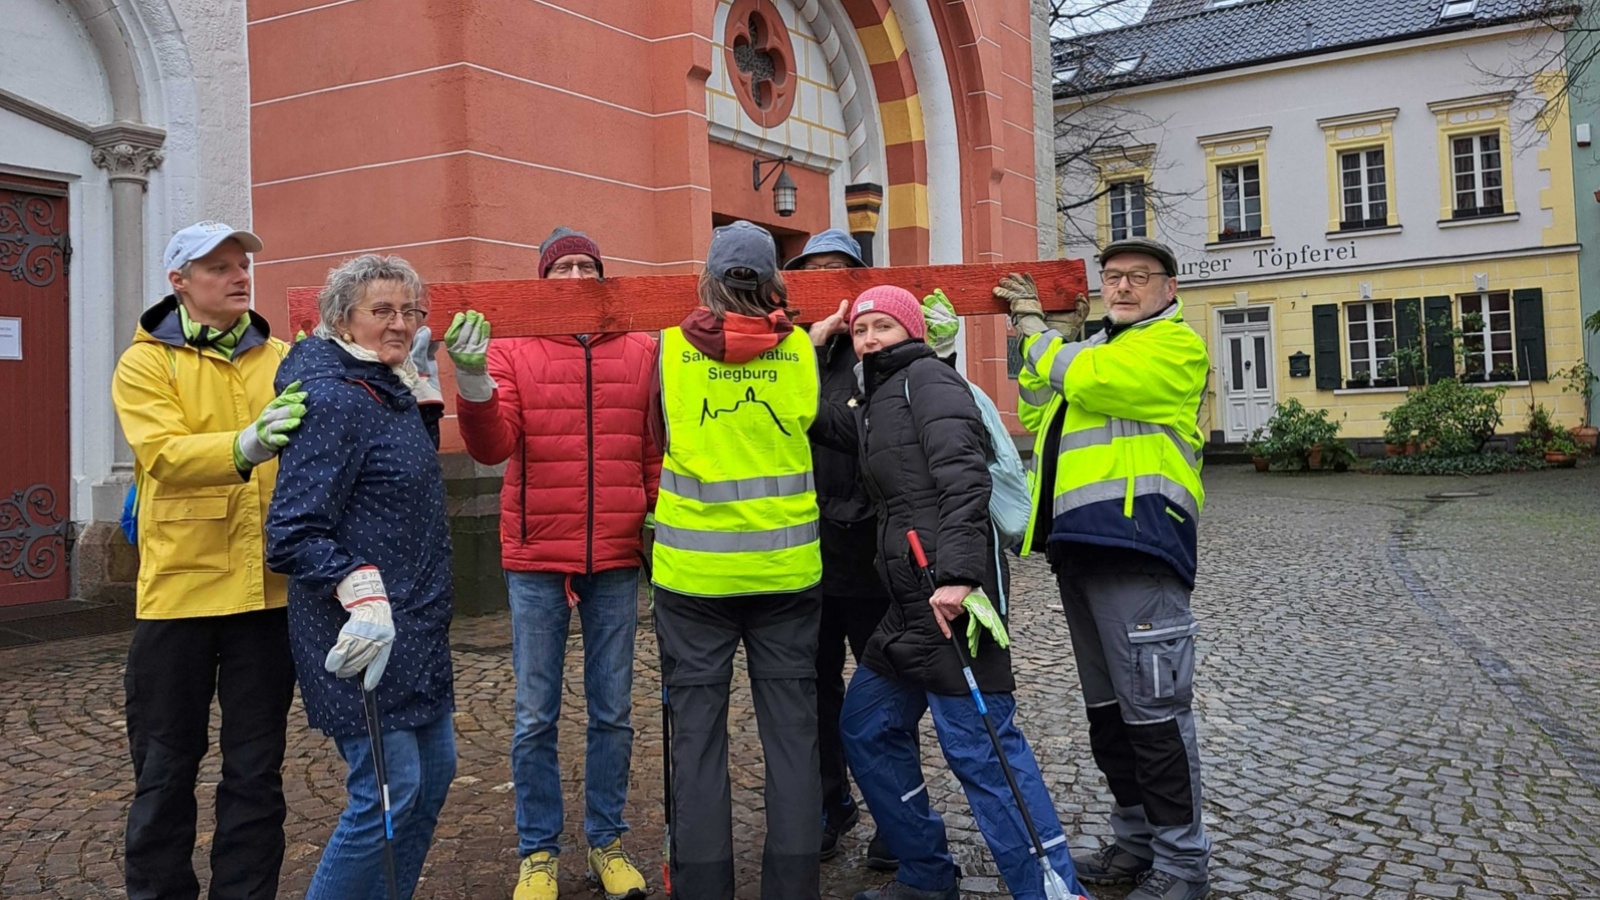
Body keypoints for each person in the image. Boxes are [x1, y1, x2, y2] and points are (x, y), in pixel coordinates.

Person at [806, 287, 1094, 900]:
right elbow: (816, 415)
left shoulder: (929, 381)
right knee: (865, 726)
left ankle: (1053, 891)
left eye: (883, 326)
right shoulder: (876, 398)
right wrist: (810, 344)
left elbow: (965, 478)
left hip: (953, 599)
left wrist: (959, 577)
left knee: (983, 753)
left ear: (911, 330)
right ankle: (926, 872)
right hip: (908, 607)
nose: (869, 339)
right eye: (860, 330)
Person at [451, 226, 658, 900]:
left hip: (618, 553)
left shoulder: (641, 348)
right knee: (535, 713)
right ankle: (537, 853)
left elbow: (654, 442)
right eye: (562, 267)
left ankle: (607, 841)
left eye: (585, 266)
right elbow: (491, 447)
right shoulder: (513, 348)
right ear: (542, 280)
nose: (574, 277)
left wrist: (653, 507)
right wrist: (475, 378)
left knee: (613, 711)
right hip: (538, 553)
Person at [1006, 236, 1211, 900]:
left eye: (1138, 278)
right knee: (1110, 717)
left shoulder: (1175, 348)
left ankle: (1182, 867)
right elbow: (1039, 407)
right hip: (1083, 549)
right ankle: (1134, 844)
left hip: (1141, 549)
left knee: (1154, 717)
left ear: (1168, 290)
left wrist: (1039, 332)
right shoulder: (1094, 351)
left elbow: (1085, 382)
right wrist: (1051, 343)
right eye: (1112, 277)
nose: (1121, 287)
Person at [111, 221, 301, 900]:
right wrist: (244, 445)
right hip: (181, 596)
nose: (237, 276)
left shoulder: (284, 354)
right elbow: (161, 453)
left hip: (266, 596)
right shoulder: (145, 363)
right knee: (164, 770)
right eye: (217, 267)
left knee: (257, 773)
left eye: (241, 264)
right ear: (179, 283)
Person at [265, 254, 457, 900]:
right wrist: (358, 589)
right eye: (383, 310)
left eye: (410, 311)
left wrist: (426, 400)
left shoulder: (388, 388)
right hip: (360, 631)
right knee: (387, 790)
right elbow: (291, 532)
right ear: (343, 319)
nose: (400, 323)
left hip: (417, 626)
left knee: (433, 776)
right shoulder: (331, 398)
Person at [650, 220, 824, 900]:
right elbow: (809, 417)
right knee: (791, 739)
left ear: (709, 282)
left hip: (695, 578)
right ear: (774, 283)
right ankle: (793, 887)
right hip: (785, 573)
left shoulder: (666, 351)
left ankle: (702, 889)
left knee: (696, 741)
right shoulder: (802, 352)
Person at [783, 229, 897, 869]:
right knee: (814, 692)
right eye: (812, 273)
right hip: (807, 553)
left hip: (872, 554)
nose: (826, 283)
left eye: (839, 273)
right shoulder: (794, 351)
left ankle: (892, 812)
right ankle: (833, 803)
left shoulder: (878, 352)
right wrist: (810, 341)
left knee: (882, 692)